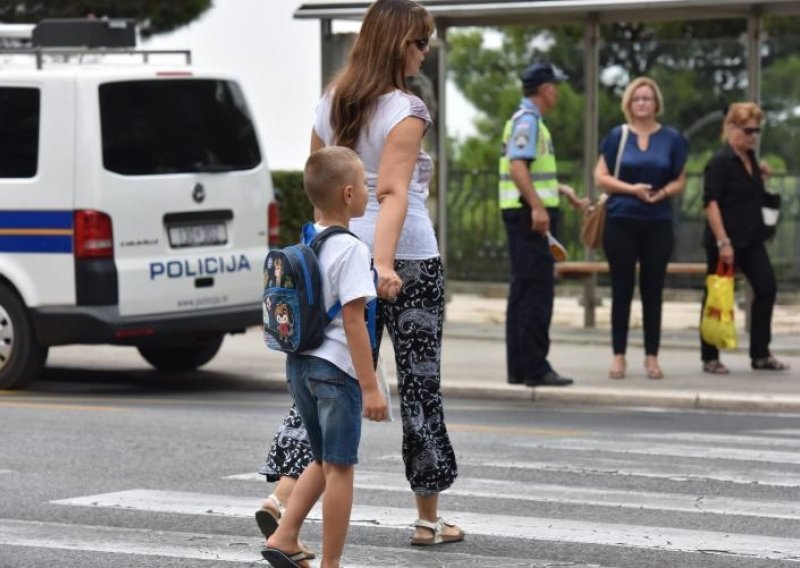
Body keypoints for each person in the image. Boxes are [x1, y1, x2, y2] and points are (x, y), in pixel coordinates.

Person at [261, 0, 464, 554]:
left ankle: (282, 498)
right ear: (399, 43)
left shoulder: (331, 102)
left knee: (333, 376)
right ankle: (428, 518)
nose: (425, 51)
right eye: (421, 42)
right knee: (420, 387)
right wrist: (382, 263)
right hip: (406, 260)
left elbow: (319, 180)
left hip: (338, 252)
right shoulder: (407, 109)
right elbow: (394, 192)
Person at [262, 146, 388, 568]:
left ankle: (284, 536)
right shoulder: (352, 249)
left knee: (320, 458)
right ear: (349, 194)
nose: (370, 193)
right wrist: (370, 388)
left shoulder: (308, 239)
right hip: (336, 372)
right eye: (366, 186)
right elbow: (355, 323)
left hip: (299, 365)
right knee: (340, 469)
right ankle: (331, 565)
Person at [499, 61, 588, 387]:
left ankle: (520, 367)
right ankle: (534, 367)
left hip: (524, 213)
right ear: (547, 89)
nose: (558, 93)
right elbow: (518, 166)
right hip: (528, 217)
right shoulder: (529, 121)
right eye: (556, 87)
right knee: (536, 292)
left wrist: (560, 191)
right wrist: (538, 206)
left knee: (524, 291)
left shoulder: (525, 120)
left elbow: (531, 171)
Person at [593, 77, 688, 380]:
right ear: (629, 104)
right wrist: (632, 189)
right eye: (637, 99)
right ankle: (618, 356)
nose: (642, 103)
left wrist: (661, 193)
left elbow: (680, 180)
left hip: (658, 222)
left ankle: (652, 357)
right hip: (621, 221)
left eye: (647, 98)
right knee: (621, 290)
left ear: (656, 103)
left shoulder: (672, 138)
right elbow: (601, 176)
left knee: (653, 290)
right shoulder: (617, 136)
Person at [700, 102, 789, 374]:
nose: (752, 136)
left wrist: (760, 176)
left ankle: (760, 352)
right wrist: (722, 241)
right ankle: (710, 355)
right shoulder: (720, 162)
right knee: (716, 295)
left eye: (756, 131)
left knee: (766, 288)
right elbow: (711, 203)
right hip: (726, 241)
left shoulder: (749, 160)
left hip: (751, 239)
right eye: (747, 130)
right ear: (731, 128)